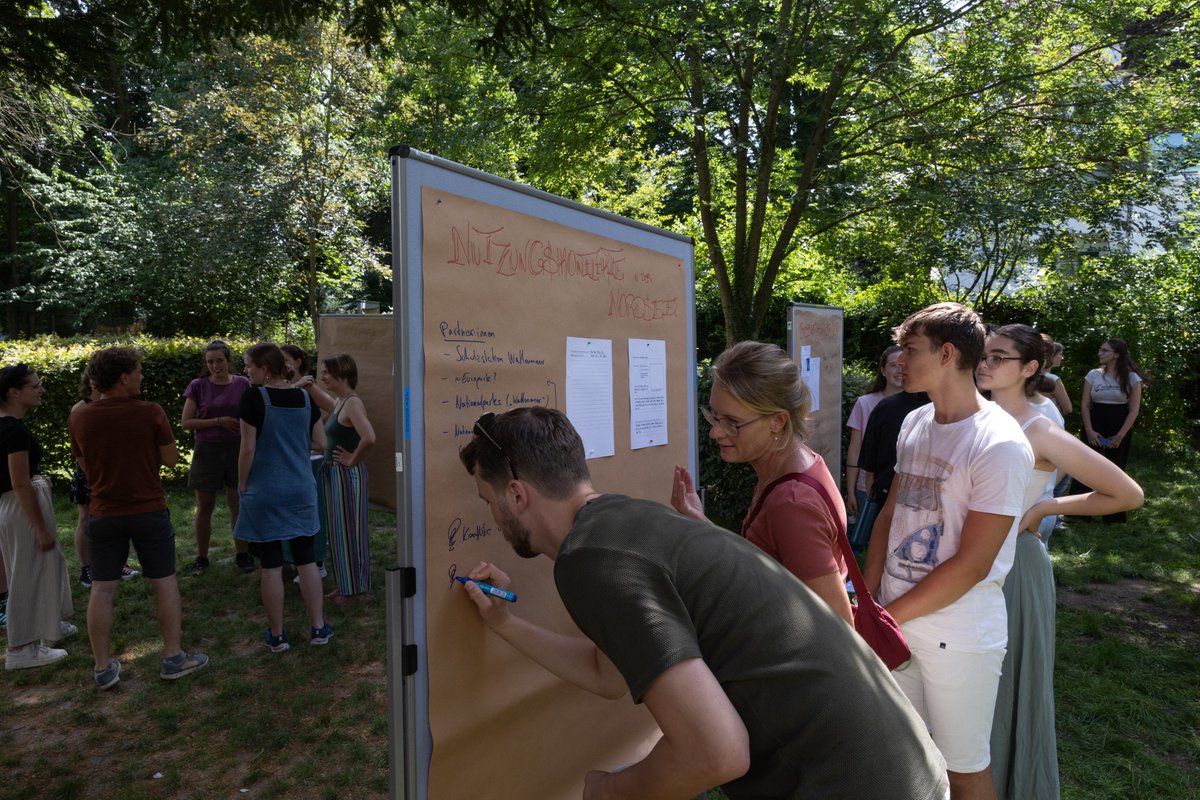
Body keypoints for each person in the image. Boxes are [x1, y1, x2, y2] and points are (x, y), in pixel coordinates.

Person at [460, 406, 950, 800]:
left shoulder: (590, 559)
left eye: (489, 501)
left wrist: (612, 790)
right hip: (905, 765)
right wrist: (505, 623)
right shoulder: (626, 523)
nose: (493, 514)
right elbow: (606, 673)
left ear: (518, 495)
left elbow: (715, 753)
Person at [864, 302, 1034, 800]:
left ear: (946, 354)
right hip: (897, 619)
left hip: (958, 635)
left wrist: (884, 619)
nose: (899, 360)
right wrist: (869, 604)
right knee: (906, 760)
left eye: (910, 349)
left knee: (963, 773)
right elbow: (889, 517)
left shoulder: (1000, 443)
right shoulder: (915, 421)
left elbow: (972, 565)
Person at [975, 324, 1142, 800]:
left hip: (1013, 569)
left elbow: (1127, 494)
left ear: (1030, 369)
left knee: (1004, 686)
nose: (985, 364)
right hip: (963, 566)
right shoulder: (973, 417)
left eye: (998, 357)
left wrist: (1046, 507)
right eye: (983, 355)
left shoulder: (1040, 427)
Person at [670, 341, 852, 624]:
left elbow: (839, 625)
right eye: (714, 416)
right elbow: (766, 562)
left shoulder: (791, 503)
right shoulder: (794, 463)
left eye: (732, 422)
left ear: (778, 421)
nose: (715, 432)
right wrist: (701, 521)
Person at [68, 347, 209, 689]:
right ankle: (173, 658)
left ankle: (102, 668)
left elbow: (85, 466)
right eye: (138, 371)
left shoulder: (80, 416)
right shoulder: (150, 412)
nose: (142, 376)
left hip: (103, 513)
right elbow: (172, 460)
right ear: (123, 376)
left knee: (102, 588)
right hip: (148, 511)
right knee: (164, 581)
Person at [234, 343, 333, 651]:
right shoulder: (304, 397)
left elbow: (247, 449)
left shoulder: (253, 398)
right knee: (307, 560)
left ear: (265, 369)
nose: (246, 371)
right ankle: (318, 627)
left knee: (272, 564)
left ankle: (277, 635)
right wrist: (293, 448)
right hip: (301, 488)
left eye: (249, 366)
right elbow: (320, 443)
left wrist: (241, 484)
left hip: (265, 490)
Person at [1, 364, 75, 670]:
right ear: (14, 392)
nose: (41, 389)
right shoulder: (13, 430)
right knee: (26, 575)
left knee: (39, 567)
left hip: (10, 507)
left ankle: (47, 627)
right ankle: (20, 648)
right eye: (35, 385)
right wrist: (40, 527)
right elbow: (19, 481)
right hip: (21, 505)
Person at [308, 353, 376, 606]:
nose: (323, 377)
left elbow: (369, 437)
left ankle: (357, 590)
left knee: (351, 532)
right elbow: (325, 403)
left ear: (342, 373)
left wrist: (351, 459)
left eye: (327, 372)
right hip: (335, 474)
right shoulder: (341, 401)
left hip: (347, 476)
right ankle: (345, 585)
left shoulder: (353, 403)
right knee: (339, 532)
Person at [181, 340, 253, 576]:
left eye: (219, 361)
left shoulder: (243, 384)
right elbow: (186, 422)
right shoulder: (197, 386)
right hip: (207, 450)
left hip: (237, 448)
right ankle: (201, 557)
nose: (215, 366)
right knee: (204, 505)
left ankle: (242, 553)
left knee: (238, 502)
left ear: (229, 361)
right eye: (210, 362)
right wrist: (218, 421)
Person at [70, 373, 139, 587]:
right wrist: (92, 474)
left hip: (114, 471)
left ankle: (120, 564)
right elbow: (79, 450)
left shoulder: (115, 404)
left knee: (119, 517)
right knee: (85, 518)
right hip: (89, 471)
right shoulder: (80, 409)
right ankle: (86, 569)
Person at [1071, 338, 1148, 524]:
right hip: (1094, 423)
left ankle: (1114, 517)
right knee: (1085, 467)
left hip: (1119, 425)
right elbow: (1085, 404)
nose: (1100, 353)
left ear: (1116, 354)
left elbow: (1134, 410)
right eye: (1100, 350)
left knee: (1116, 468)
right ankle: (1078, 513)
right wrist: (1089, 430)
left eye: (1104, 351)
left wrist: (1120, 435)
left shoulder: (1132, 378)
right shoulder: (1093, 375)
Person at [282, 344, 328, 582]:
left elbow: (334, 407)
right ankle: (291, 559)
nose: (281, 363)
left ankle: (316, 561)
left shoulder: (307, 384)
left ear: (297, 362)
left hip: (309, 459)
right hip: (288, 459)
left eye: (285, 359)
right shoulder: (279, 386)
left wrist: (317, 433)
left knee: (311, 511)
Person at [846, 345, 903, 517]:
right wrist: (851, 490)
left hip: (903, 490)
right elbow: (855, 448)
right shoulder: (865, 403)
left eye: (903, 364)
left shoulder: (922, 405)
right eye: (894, 365)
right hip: (867, 489)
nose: (899, 369)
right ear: (883, 370)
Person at [1037, 341, 1072, 415]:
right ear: (1051, 356)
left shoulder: (1029, 377)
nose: (1062, 358)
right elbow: (1068, 408)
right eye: (1060, 354)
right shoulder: (1053, 379)